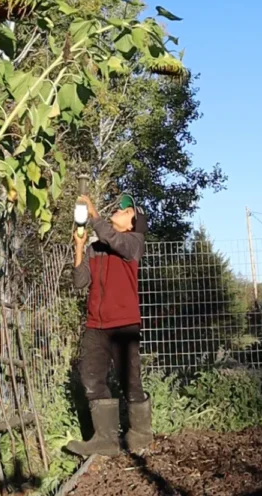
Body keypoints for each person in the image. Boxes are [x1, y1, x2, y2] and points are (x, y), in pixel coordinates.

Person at [66, 193, 153, 457]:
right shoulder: (97, 248)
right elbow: (80, 281)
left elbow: (112, 238)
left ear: (132, 224)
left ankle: (140, 434)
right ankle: (106, 440)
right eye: (120, 207)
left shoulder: (133, 243)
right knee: (91, 378)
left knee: (130, 378)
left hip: (124, 323)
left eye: (126, 210)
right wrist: (80, 246)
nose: (120, 208)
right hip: (96, 324)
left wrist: (93, 214)